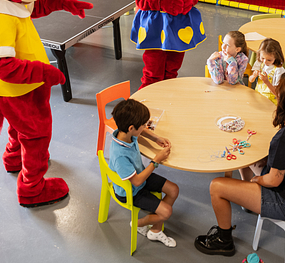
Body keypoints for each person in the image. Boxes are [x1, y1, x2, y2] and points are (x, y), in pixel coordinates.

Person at [194, 73, 285, 256]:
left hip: (280, 199)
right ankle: (248, 201)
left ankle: (224, 241)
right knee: (244, 157)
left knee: (217, 186)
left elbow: (274, 180)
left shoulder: (282, 139)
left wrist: (258, 180)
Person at [109, 99, 179, 247]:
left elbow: (140, 133)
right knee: (166, 212)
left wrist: (156, 138)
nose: (145, 127)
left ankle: (155, 230)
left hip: (139, 175)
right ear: (131, 127)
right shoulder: (120, 154)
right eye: (143, 125)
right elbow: (137, 181)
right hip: (130, 190)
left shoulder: (125, 134)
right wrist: (156, 161)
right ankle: (138, 223)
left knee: (173, 189)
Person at [249, 38, 285, 105]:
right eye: (263, 58)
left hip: (270, 101)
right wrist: (253, 76)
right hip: (258, 96)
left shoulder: (279, 71)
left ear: (276, 57)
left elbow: (278, 94)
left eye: (269, 60)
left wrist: (266, 81)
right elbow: (250, 80)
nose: (265, 62)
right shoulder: (259, 62)